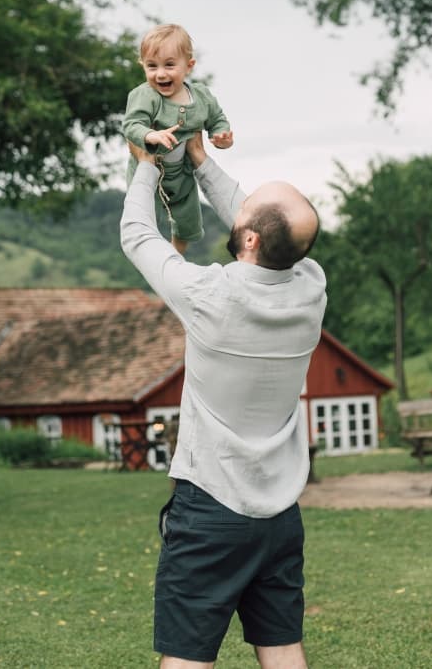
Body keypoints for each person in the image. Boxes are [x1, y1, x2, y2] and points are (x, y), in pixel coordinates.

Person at [120, 131, 327, 669]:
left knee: (187, 658)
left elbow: (138, 235)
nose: (242, 198)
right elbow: (267, 227)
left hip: (210, 508)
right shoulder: (311, 286)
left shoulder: (211, 294)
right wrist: (201, 162)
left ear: (252, 238)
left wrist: (147, 164)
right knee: (282, 649)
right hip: (280, 513)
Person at [122, 23, 233, 253]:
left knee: (187, 219)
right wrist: (151, 134)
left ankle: (177, 255)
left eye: (169, 65)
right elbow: (131, 126)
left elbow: (217, 119)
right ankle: (151, 254)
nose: (160, 73)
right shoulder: (145, 95)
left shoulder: (201, 96)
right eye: (152, 66)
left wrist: (221, 136)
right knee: (144, 216)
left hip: (182, 173)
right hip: (149, 169)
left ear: (189, 66)